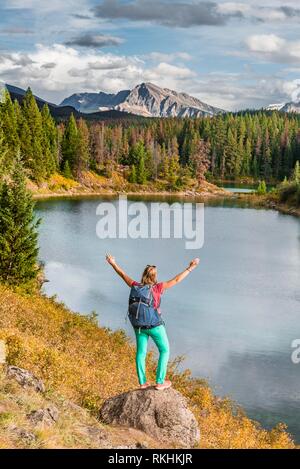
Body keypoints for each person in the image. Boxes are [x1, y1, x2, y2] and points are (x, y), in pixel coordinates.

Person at [106, 254, 200, 391]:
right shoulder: (158, 287)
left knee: (141, 353)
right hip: (155, 325)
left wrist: (113, 263)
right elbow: (177, 279)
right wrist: (191, 267)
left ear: (143, 275)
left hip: (138, 326)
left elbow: (122, 274)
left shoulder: (135, 286)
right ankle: (160, 382)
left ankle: (142, 383)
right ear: (154, 277)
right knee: (165, 350)